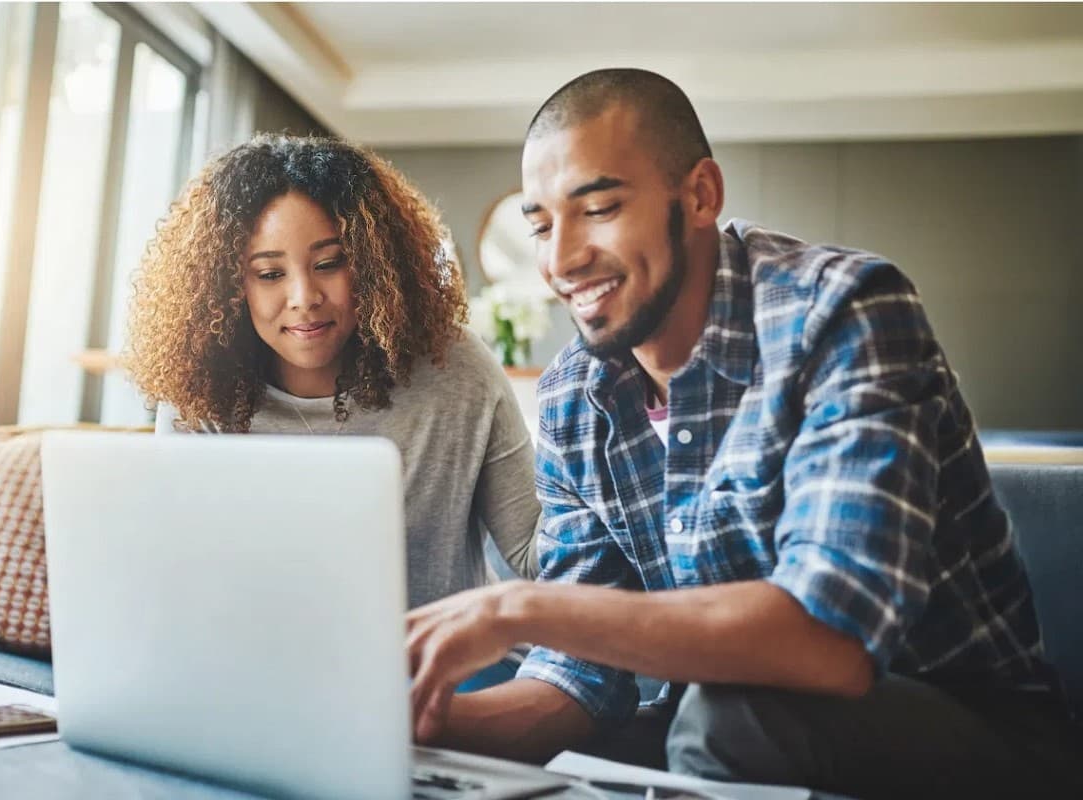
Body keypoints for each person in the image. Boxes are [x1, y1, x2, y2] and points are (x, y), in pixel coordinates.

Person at [405, 69, 1080, 797]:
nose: (561, 260)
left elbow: (833, 637)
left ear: (700, 194)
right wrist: (421, 729)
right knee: (620, 746)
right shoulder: (574, 395)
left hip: (980, 738)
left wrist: (519, 607)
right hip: (724, 729)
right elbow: (581, 677)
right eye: (540, 226)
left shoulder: (842, 313)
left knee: (724, 719)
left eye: (598, 208)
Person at [125, 134, 541, 625]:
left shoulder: (454, 366)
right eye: (269, 274)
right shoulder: (202, 393)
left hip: (437, 662)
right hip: (254, 652)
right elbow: (181, 568)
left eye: (328, 264)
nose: (304, 297)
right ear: (230, 286)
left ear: (373, 263)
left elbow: (534, 553)